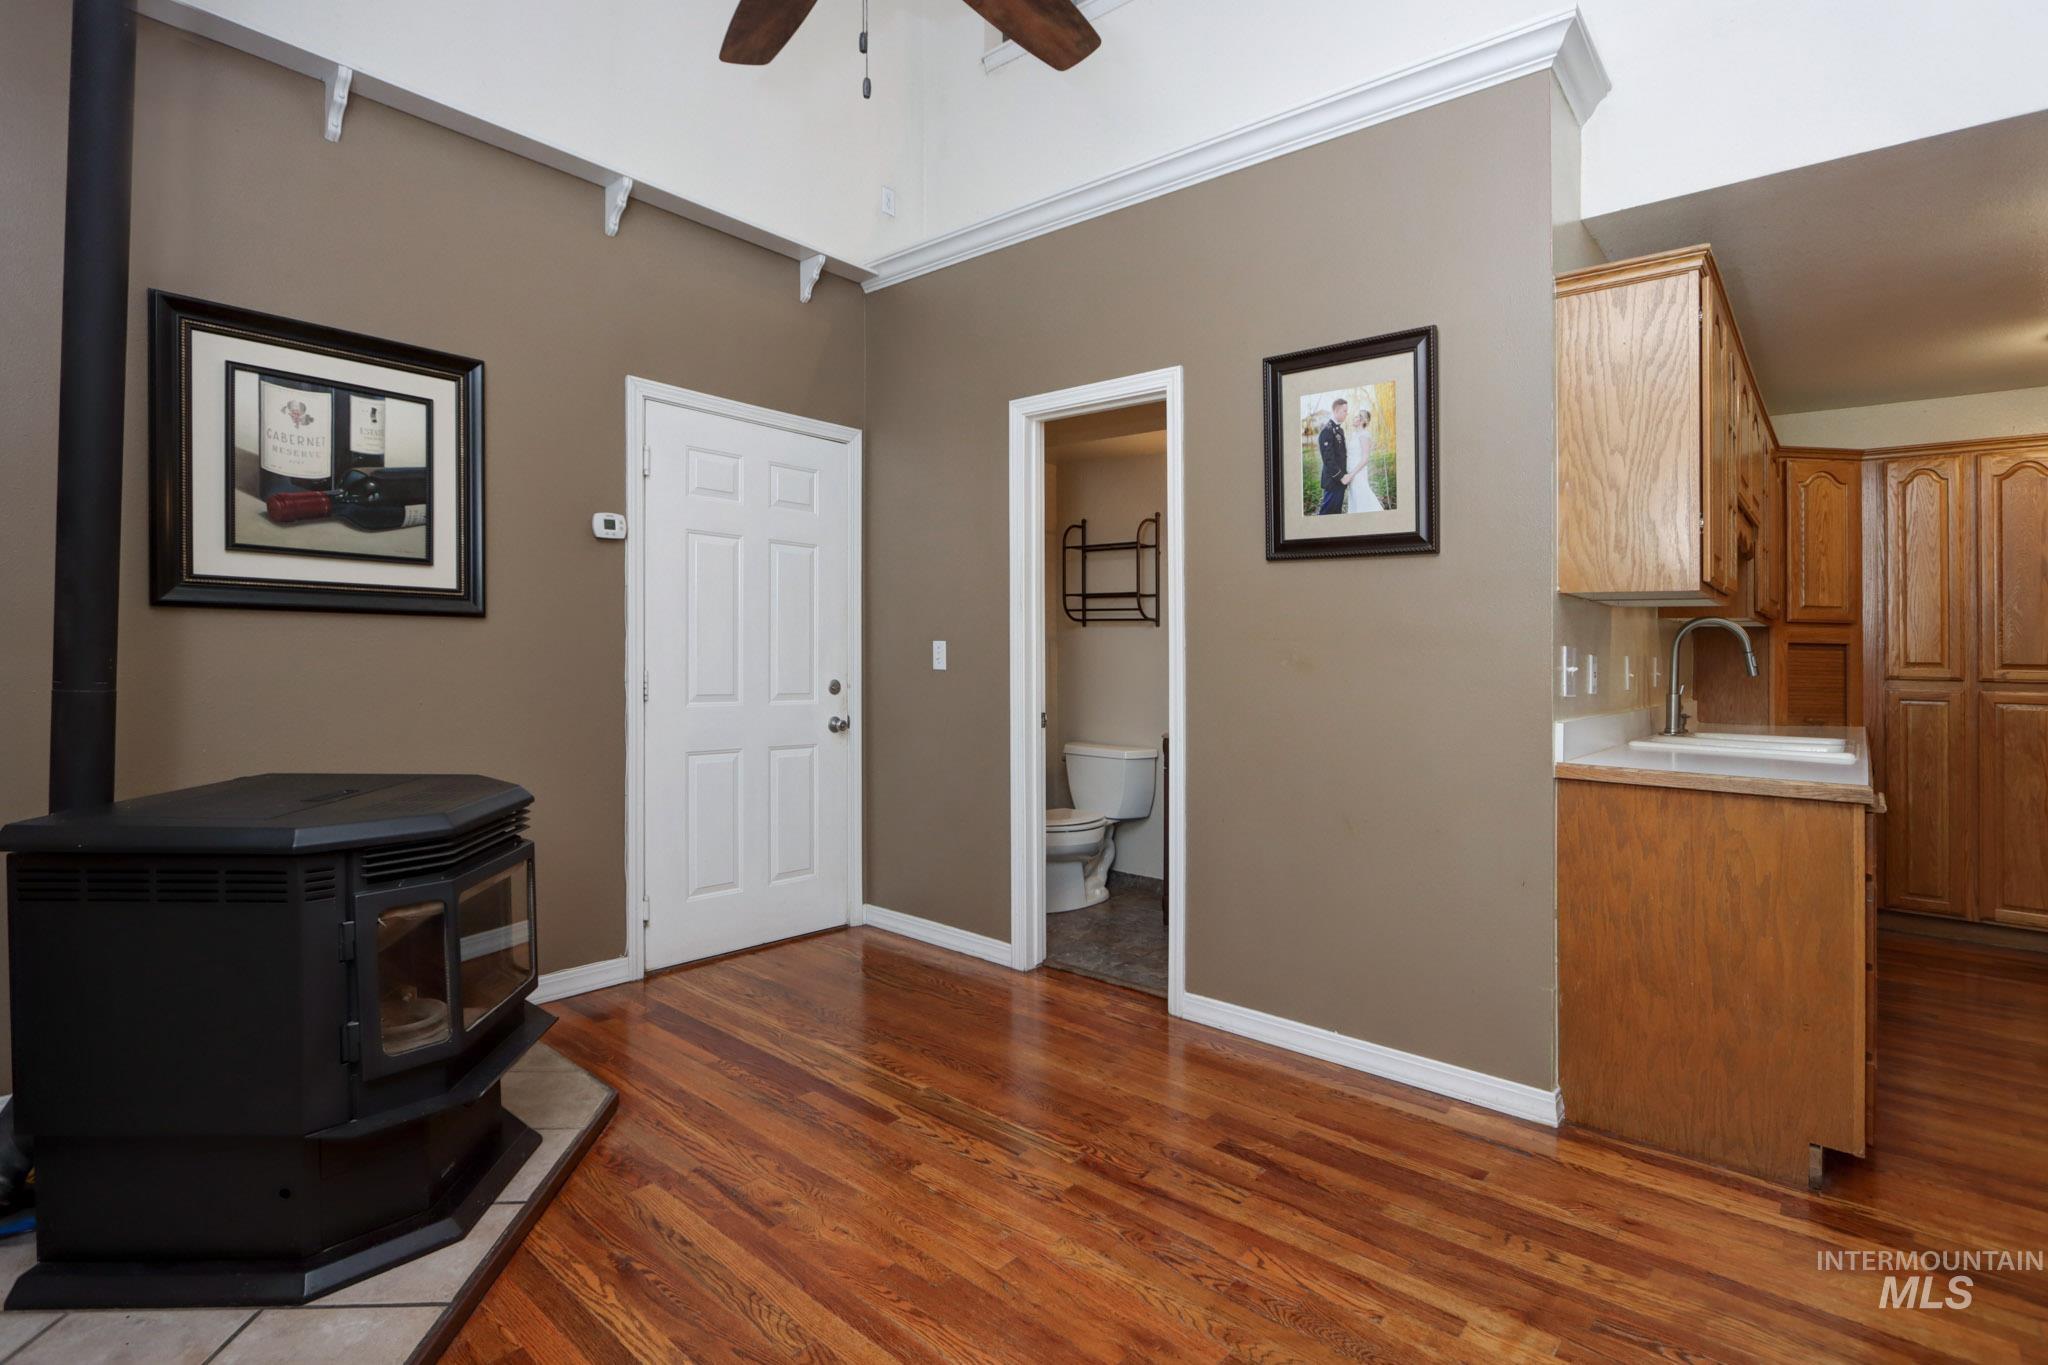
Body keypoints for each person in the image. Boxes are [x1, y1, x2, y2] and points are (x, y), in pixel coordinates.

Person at [1343, 406, 1384, 514]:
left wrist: (1351, 474)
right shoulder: (1354, 434)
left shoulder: (1364, 435)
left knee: (1361, 496)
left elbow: (1365, 459)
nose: (1354, 418)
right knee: (1355, 499)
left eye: (1356, 417)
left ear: (1362, 420)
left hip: (1357, 473)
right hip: (1351, 471)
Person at [1315, 399, 1349, 514]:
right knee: (1326, 514)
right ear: (1336, 411)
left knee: (1336, 513)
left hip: (1339, 482)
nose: (1346, 413)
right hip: (1333, 481)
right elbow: (1328, 459)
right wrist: (1341, 477)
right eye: (1344, 411)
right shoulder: (1327, 431)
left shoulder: (1339, 430)